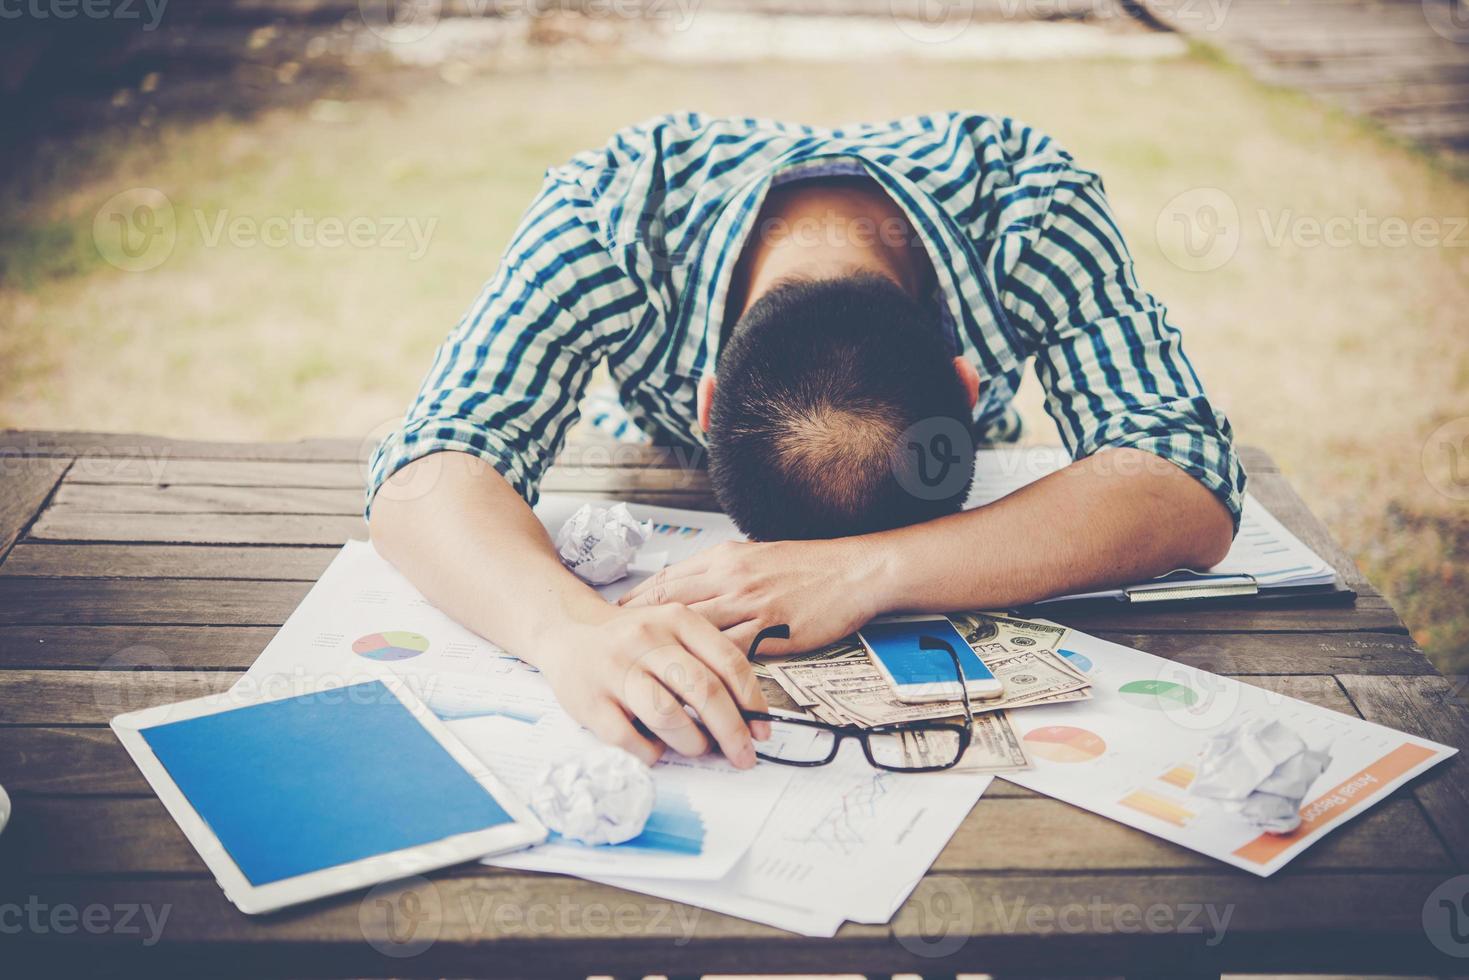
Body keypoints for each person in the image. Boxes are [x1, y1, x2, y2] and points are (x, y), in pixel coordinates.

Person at [367, 112, 1244, 769]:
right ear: (705, 405)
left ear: (968, 391)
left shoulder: (1030, 205)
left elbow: (1185, 475)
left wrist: (870, 571)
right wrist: (564, 633)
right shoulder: (609, 216)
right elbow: (429, 467)